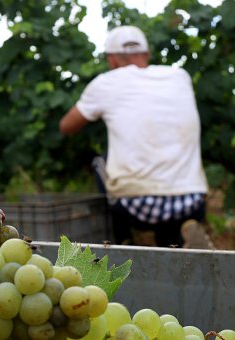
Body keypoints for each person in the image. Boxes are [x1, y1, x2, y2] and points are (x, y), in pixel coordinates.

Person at [59, 25, 209, 247]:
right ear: (147, 54)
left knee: (101, 162)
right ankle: (179, 236)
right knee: (171, 168)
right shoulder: (180, 76)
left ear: (111, 60)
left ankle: (124, 238)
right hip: (191, 200)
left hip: (135, 205)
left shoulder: (106, 82)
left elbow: (66, 126)